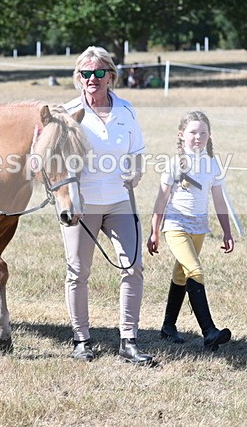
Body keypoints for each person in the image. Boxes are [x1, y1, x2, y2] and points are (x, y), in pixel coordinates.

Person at [61, 46, 152, 364]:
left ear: (111, 76)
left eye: (99, 73)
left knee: (133, 267)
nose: (92, 79)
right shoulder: (69, 113)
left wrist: (137, 171)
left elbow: (137, 151)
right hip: (82, 206)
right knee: (77, 272)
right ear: (78, 77)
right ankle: (81, 340)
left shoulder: (126, 110)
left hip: (119, 202)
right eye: (85, 73)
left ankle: (129, 341)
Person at [146, 110, 234, 351]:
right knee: (195, 270)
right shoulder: (174, 164)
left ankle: (167, 327)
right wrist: (154, 230)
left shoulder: (213, 165)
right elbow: (161, 200)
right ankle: (209, 331)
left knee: (181, 276)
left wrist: (227, 232)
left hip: (199, 228)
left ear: (209, 136)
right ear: (181, 135)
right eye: (193, 132)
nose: (198, 137)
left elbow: (219, 200)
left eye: (203, 133)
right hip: (176, 226)